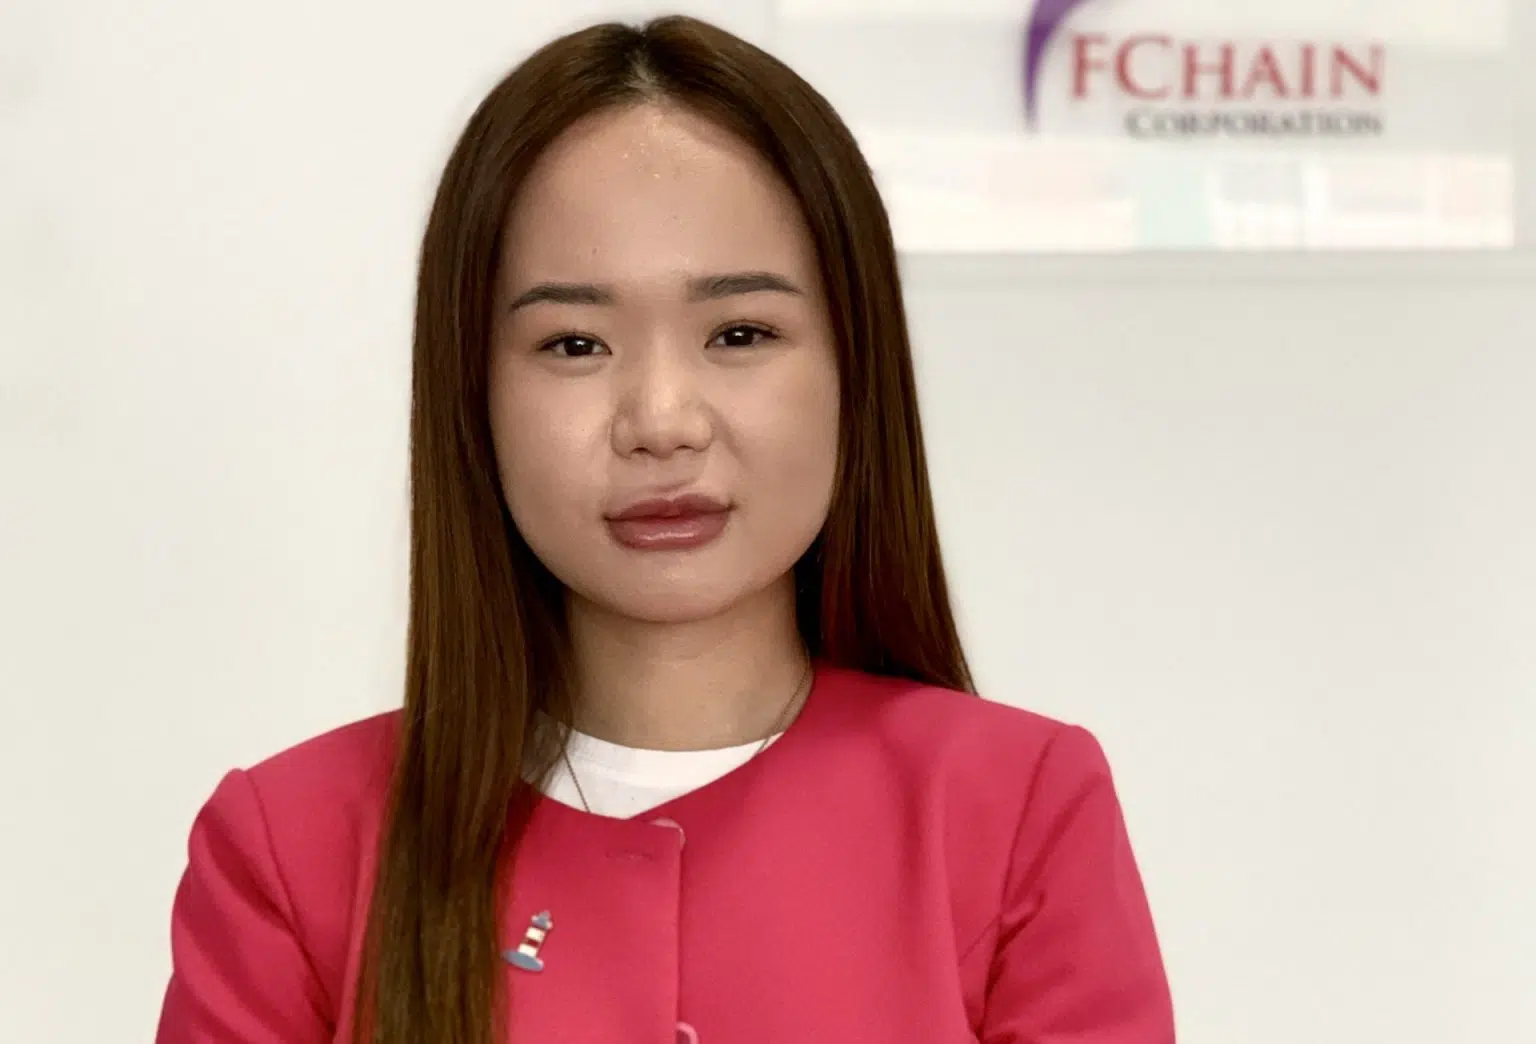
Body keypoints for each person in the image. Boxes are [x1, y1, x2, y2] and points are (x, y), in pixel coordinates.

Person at [155, 14, 1174, 1044]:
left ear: (855, 369)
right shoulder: (289, 850)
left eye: (740, 333)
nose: (661, 420)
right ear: (472, 394)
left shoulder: (1016, 811)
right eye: (575, 343)